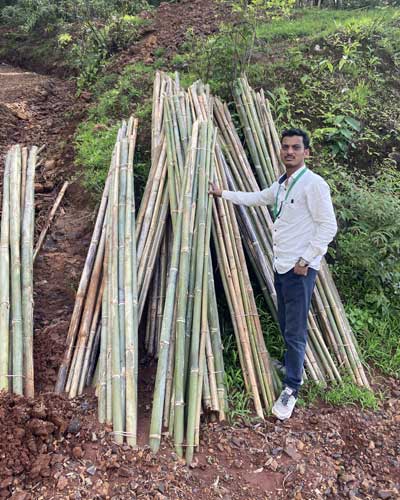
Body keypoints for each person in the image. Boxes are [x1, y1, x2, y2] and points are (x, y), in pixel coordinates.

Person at [209, 128, 337, 420]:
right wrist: (222, 193)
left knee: (295, 330)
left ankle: (292, 386)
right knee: (285, 323)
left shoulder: (314, 184)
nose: (289, 152)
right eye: (285, 148)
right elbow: (256, 198)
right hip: (282, 267)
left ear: (307, 152)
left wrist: (306, 260)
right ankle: (293, 367)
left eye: (295, 147)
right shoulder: (282, 184)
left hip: (299, 269)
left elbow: (328, 226)